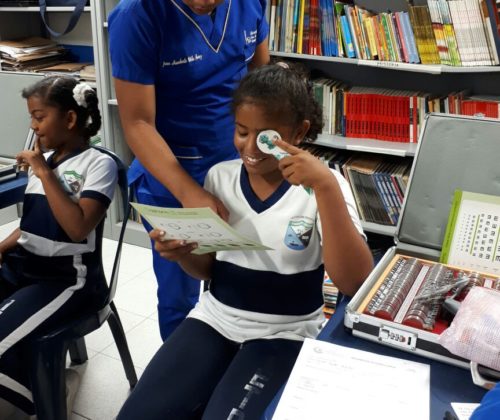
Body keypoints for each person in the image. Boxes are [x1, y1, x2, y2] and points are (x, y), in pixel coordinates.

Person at [116, 63, 374, 420]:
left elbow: (354, 283)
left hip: (286, 331)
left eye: (267, 137)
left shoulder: (323, 186)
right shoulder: (219, 177)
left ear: (299, 132)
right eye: (241, 132)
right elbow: (207, 269)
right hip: (216, 318)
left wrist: (325, 188)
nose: (251, 148)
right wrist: (182, 254)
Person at [108, 0, 270, 340]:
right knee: (178, 297)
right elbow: (137, 123)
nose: (203, 2)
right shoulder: (136, 16)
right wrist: (189, 192)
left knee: (239, 278)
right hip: (173, 176)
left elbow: (261, 80)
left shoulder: (250, 4)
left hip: (238, 167)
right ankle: (182, 383)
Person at [0, 75, 118, 416]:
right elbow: (31, 227)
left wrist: (43, 173)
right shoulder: (47, 159)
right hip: (26, 268)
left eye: (39, 117)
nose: (33, 126)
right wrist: (4, 247)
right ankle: (35, 381)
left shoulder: (99, 164)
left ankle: (46, 393)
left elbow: (77, 227)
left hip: (68, 281)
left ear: (69, 119)